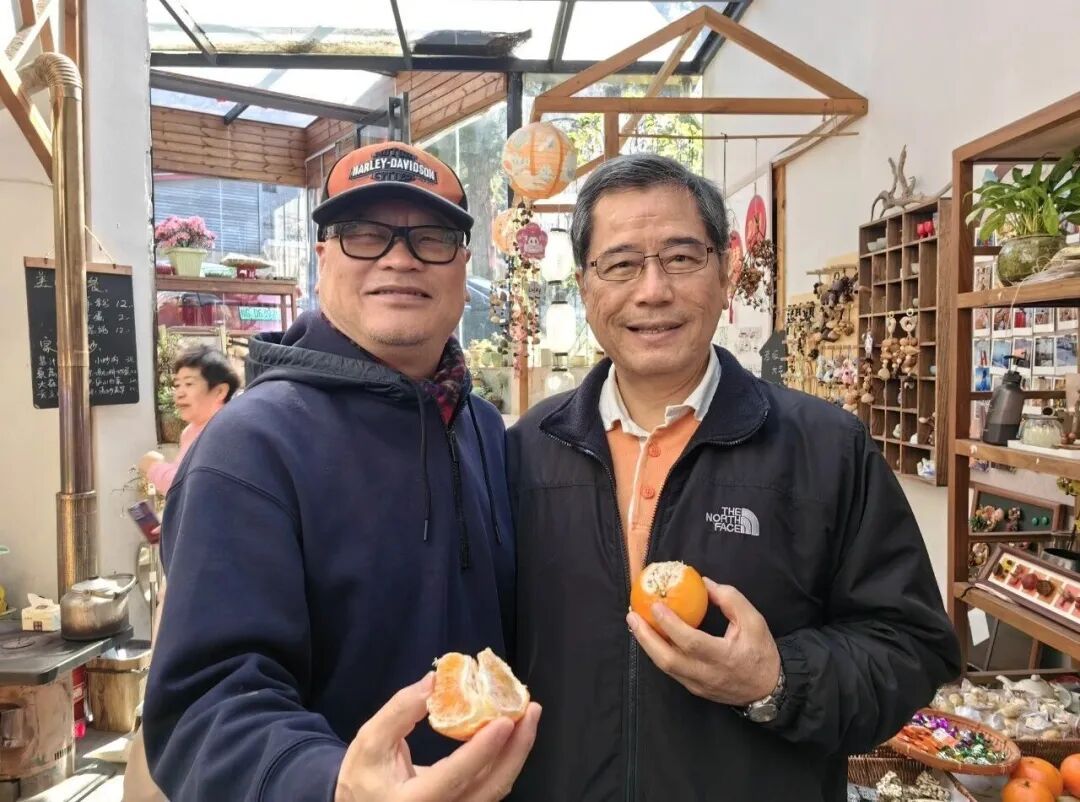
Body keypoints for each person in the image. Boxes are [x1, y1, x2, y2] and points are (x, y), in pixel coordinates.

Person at [506, 154, 961, 801]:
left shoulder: (824, 448)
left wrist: (777, 681)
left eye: (681, 258)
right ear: (585, 286)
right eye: (621, 264)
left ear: (726, 272)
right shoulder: (527, 450)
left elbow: (911, 648)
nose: (653, 290)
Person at [143, 141, 540, 802]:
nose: (399, 257)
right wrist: (334, 785)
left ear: (463, 265)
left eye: (432, 237)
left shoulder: (485, 431)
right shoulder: (249, 448)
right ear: (323, 257)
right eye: (364, 233)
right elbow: (207, 701)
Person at [138, 344, 240, 496]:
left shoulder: (225, 432)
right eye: (177, 385)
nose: (179, 393)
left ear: (220, 391)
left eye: (189, 384)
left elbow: (189, 488)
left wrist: (154, 467)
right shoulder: (190, 431)